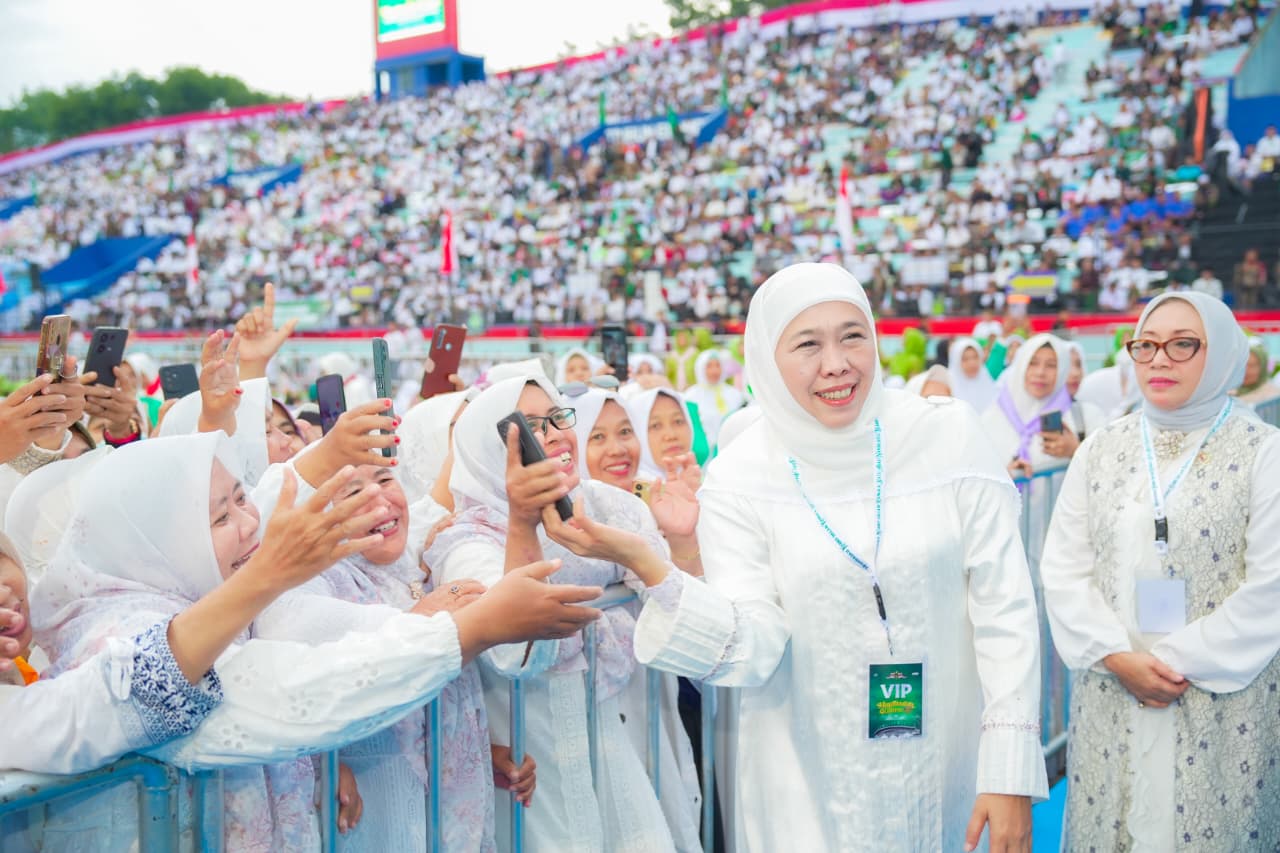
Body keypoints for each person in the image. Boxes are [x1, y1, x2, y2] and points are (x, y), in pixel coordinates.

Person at [622, 263, 1047, 850]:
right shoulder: (741, 475)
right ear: (768, 360)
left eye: (852, 335)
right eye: (807, 344)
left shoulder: (945, 439)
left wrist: (1010, 769)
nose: (836, 364)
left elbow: (1006, 610)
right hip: (805, 786)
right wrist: (658, 565)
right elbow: (754, 644)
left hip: (950, 765)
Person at [1040, 291, 1280, 850]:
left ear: (1218, 351)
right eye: (1145, 345)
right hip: (1111, 693)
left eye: (1181, 345)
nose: (1159, 360)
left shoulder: (1263, 452)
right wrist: (1118, 659)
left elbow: (1271, 587)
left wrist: (1168, 665)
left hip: (1220, 705)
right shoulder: (1101, 448)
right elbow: (1064, 569)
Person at [425, 375, 680, 852]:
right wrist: (522, 520)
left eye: (557, 418)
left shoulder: (605, 507)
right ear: (488, 450)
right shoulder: (464, 541)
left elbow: (674, 602)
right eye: (529, 427)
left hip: (612, 744)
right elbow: (518, 652)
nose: (555, 435)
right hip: (528, 766)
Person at [981, 334, 1087, 479]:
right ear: (1021, 365)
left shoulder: (1082, 416)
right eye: (1032, 363)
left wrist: (1075, 450)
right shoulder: (992, 416)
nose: (1040, 372)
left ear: (1062, 370)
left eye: (1051, 365)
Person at [627, 388, 710, 474]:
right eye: (655, 426)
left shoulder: (706, 482)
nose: (671, 435)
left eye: (678, 421)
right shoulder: (626, 486)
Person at [683, 350, 745, 452]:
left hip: (732, 450)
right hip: (702, 455)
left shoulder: (734, 394)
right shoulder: (691, 396)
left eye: (718, 365)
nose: (714, 370)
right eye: (709, 366)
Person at [948, 338, 999, 413]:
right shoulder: (948, 388)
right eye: (965, 359)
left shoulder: (986, 380)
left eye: (975, 357)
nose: (972, 363)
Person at [1233, 337, 1278, 405]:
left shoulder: (1273, 397)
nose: (1246, 370)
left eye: (1252, 366)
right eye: (1243, 364)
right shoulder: (1229, 391)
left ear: (1263, 368)